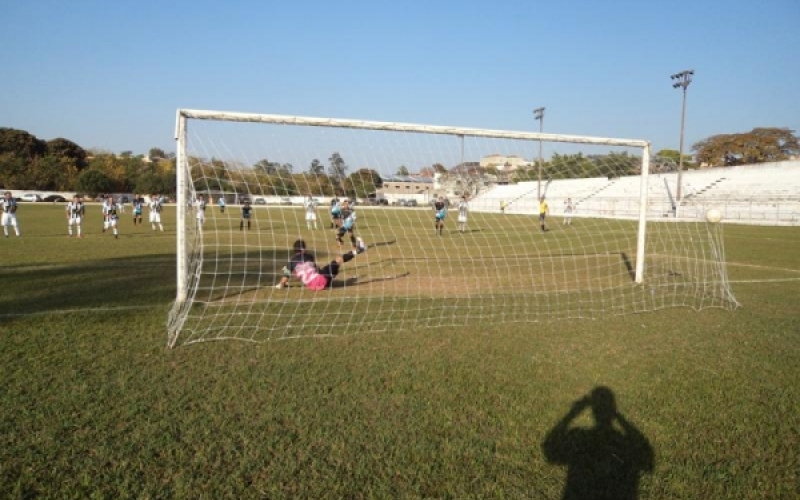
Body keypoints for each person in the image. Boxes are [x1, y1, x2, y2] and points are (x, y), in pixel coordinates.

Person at [275, 237, 366, 290]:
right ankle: (359, 250)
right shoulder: (309, 257)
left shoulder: (291, 262)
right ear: (303, 249)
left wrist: (281, 284)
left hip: (313, 286)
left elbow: (284, 278)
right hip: (323, 280)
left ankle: (333, 273)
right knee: (338, 260)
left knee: (332, 268)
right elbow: (317, 270)